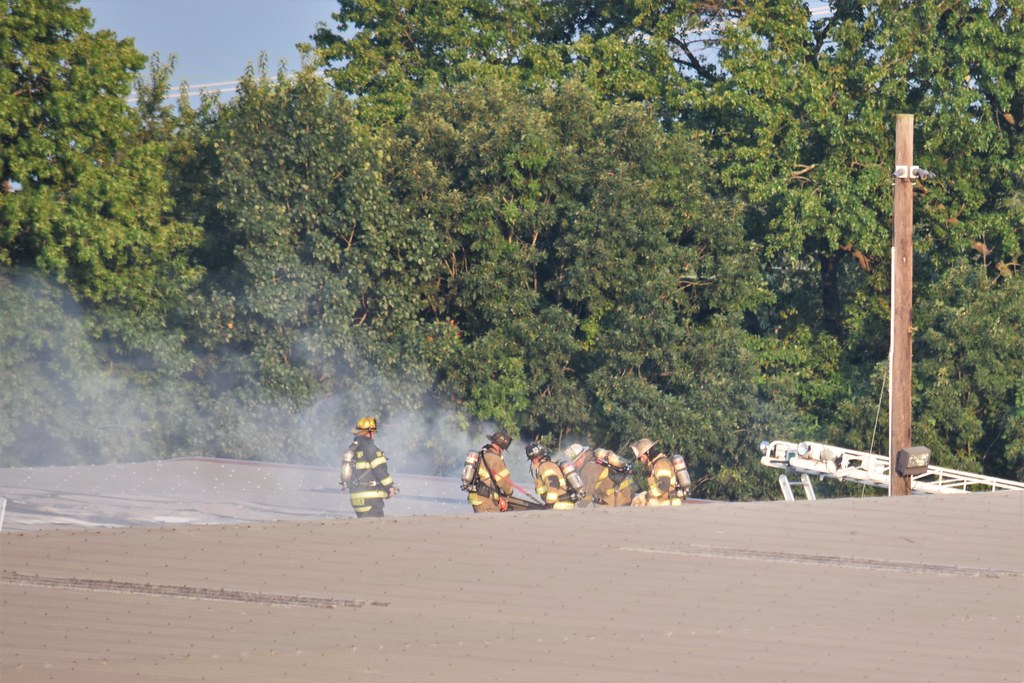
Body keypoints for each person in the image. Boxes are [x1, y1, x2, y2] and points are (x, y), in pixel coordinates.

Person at [339, 417, 397, 518]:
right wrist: (390, 487)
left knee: (363, 529)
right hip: (371, 499)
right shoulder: (371, 449)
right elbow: (381, 471)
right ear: (368, 432)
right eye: (373, 432)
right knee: (376, 529)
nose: (374, 435)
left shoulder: (352, 449)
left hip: (356, 499)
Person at [467, 430, 517, 513]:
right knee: (491, 523)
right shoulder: (495, 459)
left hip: (475, 496)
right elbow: (504, 482)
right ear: (500, 447)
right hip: (485, 499)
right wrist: (509, 492)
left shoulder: (482, 454)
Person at [630, 438, 682, 507]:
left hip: (668, 504)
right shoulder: (655, 465)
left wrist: (648, 495)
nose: (641, 460)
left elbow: (663, 486)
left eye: (641, 458)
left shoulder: (661, 464)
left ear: (648, 453)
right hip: (664, 502)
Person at [526, 442, 576, 510]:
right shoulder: (549, 464)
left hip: (559, 505)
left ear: (534, 459)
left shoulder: (544, 466)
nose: (533, 462)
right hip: (563, 504)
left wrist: (549, 504)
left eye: (532, 460)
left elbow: (553, 483)